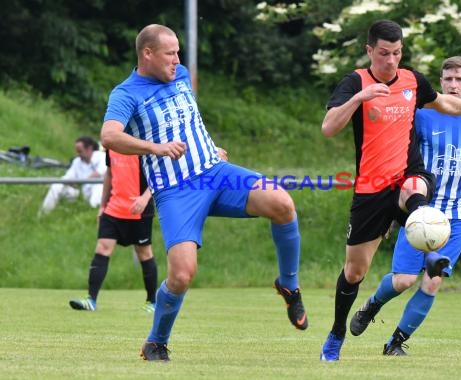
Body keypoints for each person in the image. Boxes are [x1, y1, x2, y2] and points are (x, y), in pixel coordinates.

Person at [99, 24, 307, 362]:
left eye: (178, 52)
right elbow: (109, 137)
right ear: (147, 54)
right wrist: (156, 147)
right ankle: (156, 342)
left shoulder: (179, 75)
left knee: (282, 202)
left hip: (216, 173)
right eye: (170, 53)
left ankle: (289, 284)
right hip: (176, 192)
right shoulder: (125, 94)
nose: (177, 59)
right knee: (181, 275)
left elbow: (188, 120)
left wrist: (210, 147)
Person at [319, 20, 461, 361]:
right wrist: (361, 98)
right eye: (383, 54)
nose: (391, 61)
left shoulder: (412, 80)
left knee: (417, 190)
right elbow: (329, 127)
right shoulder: (355, 81)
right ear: (369, 51)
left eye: (396, 53)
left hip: (409, 176)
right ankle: (336, 333)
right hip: (371, 188)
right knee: (354, 272)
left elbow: (447, 105)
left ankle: (430, 251)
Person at [68, 149, 158, 312]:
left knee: (144, 253)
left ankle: (152, 302)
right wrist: (102, 206)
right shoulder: (112, 146)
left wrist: (144, 199)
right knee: (102, 248)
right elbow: (109, 174)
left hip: (139, 211)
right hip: (113, 209)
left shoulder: (144, 145)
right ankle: (91, 300)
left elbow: (157, 174)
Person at [39, 136, 106, 214]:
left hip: (99, 192)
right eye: (77, 151)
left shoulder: (101, 156)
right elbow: (68, 178)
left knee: (99, 185)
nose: (78, 154)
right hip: (79, 193)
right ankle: (43, 213)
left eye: (80, 151)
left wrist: (78, 182)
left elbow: (100, 172)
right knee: (56, 186)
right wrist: (59, 181)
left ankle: (92, 211)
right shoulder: (76, 161)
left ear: (89, 149)